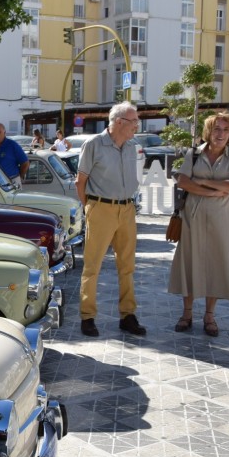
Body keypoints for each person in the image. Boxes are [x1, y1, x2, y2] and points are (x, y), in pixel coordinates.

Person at [168, 113, 229, 336]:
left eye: (225, 130)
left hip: (222, 217)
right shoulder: (194, 154)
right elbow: (184, 181)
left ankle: (209, 316)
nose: (221, 134)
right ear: (208, 131)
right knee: (191, 261)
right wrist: (215, 190)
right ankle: (186, 314)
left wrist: (204, 181)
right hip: (193, 216)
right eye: (217, 129)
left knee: (216, 263)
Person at [76, 102, 145, 337]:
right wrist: (90, 207)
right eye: (133, 121)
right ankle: (88, 316)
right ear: (118, 122)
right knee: (92, 266)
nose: (137, 125)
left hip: (127, 209)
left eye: (137, 121)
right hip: (100, 208)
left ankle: (128, 315)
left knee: (127, 266)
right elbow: (80, 181)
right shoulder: (94, 144)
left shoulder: (133, 146)